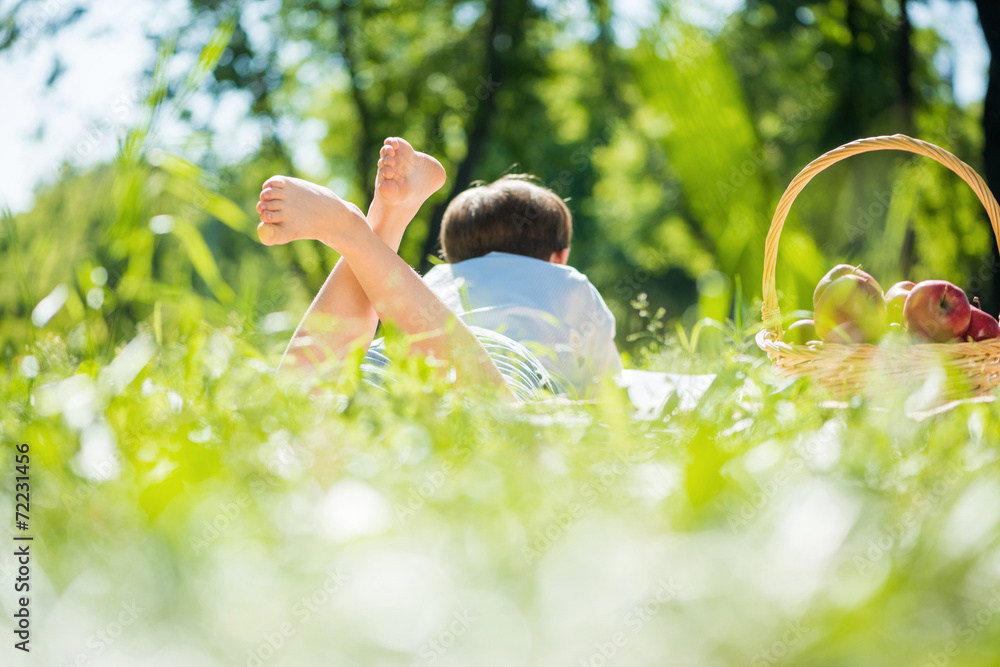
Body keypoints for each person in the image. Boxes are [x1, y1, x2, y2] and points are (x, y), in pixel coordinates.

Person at [256, 137, 621, 399]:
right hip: (500, 368)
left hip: (396, 360)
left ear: (453, 258)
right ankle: (353, 232)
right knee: (499, 414)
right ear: (559, 256)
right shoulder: (569, 282)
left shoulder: (437, 281)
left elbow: (406, 316)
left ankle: (377, 229)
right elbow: (611, 395)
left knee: (295, 407)